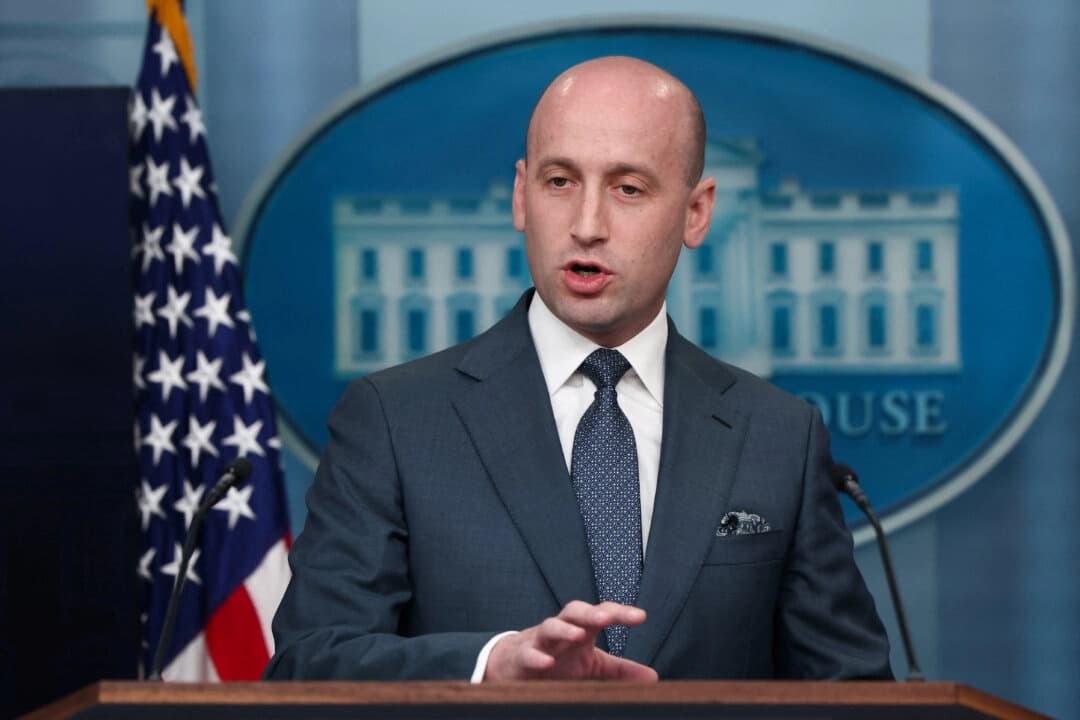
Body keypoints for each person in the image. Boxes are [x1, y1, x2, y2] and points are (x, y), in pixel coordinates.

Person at [265, 56, 891, 682]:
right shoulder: (395, 421)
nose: (587, 226)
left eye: (628, 189)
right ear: (520, 195)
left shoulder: (779, 436)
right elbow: (311, 663)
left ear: (696, 213)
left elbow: (853, 693)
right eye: (560, 182)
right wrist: (489, 668)